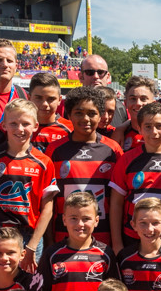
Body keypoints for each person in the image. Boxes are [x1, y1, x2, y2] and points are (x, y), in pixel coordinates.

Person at [0, 99, 59, 271]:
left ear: (35, 126)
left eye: (25, 124)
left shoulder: (43, 162)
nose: (20, 129)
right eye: (13, 123)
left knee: (28, 284)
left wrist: (33, 245)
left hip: (29, 236)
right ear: (4, 125)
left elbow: (47, 208)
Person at [40, 190, 117, 291]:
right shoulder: (51, 254)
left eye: (86, 218)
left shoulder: (105, 254)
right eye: (73, 218)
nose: (80, 224)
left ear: (96, 221)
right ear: (64, 220)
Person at [48, 86, 122, 245]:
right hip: (63, 236)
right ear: (69, 115)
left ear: (100, 115)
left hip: (103, 237)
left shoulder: (113, 150)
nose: (85, 119)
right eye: (79, 113)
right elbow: (48, 201)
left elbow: (118, 199)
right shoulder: (55, 150)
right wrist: (48, 240)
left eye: (92, 113)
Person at [109, 103, 161, 247]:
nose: (154, 132)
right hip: (133, 238)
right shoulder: (127, 159)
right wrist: (117, 243)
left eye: (159, 126)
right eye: (148, 126)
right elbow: (116, 203)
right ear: (139, 129)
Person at [29, 72, 73, 154]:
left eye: (50, 99)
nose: (44, 104)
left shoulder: (72, 129)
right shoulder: (19, 128)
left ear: (59, 100)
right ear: (29, 98)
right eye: (39, 98)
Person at [110, 75, 155, 152]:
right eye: (133, 99)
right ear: (125, 103)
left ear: (153, 103)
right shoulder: (117, 135)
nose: (138, 103)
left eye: (143, 99)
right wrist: (119, 130)